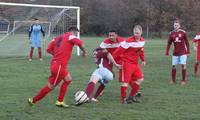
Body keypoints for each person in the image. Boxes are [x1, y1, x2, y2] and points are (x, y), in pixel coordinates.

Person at [28, 27, 86, 108]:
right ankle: (33, 100)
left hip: (56, 64)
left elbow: (48, 49)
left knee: (68, 79)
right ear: (73, 32)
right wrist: (84, 52)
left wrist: (57, 55)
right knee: (50, 87)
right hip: (59, 66)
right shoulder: (71, 36)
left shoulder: (56, 38)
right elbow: (81, 44)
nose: (77, 35)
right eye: (76, 33)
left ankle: (60, 101)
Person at [113, 25, 146, 104]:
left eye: (137, 33)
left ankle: (131, 97)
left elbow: (141, 51)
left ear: (141, 32)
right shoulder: (128, 41)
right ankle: (123, 99)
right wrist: (114, 62)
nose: (136, 34)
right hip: (127, 63)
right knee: (126, 82)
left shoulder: (142, 41)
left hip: (135, 64)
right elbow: (118, 52)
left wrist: (143, 60)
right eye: (134, 33)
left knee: (140, 79)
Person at [165, 20, 190, 85]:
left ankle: (183, 80)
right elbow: (169, 43)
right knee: (173, 66)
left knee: (183, 65)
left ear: (179, 26)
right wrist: (167, 51)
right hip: (175, 52)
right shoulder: (171, 33)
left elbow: (187, 42)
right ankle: (173, 80)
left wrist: (188, 51)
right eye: (175, 25)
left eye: (177, 25)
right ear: (173, 25)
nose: (176, 26)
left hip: (183, 52)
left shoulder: (183, 32)